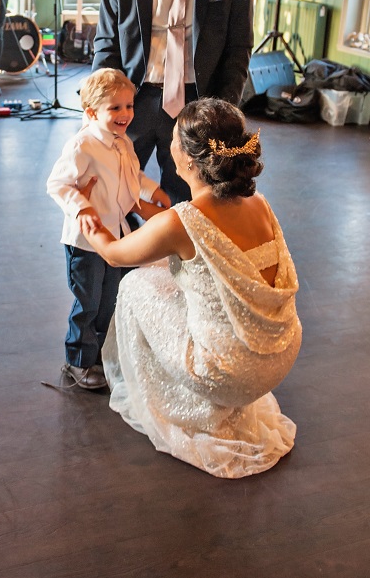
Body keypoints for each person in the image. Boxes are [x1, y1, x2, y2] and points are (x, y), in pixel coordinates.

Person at [83, 97, 302, 478]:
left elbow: (117, 255)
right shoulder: (260, 204)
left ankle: (184, 403)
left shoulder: (183, 221)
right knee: (177, 277)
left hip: (228, 373)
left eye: (172, 140)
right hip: (279, 357)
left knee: (136, 285)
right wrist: (141, 205)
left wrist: (92, 222)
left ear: (186, 158)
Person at [93, 0, 253, 205]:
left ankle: (177, 258)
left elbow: (239, 45)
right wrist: (101, 105)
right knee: (110, 191)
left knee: (188, 203)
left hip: (197, 101)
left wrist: (220, 110)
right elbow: (107, 44)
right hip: (134, 97)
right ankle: (116, 257)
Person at [47, 68, 171, 391]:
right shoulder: (83, 146)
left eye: (129, 106)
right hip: (85, 242)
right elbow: (57, 184)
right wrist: (81, 207)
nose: (125, 114)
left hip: (116, 235)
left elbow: (133, 177)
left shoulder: (123, 143)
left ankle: (100, 353)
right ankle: (77, 360)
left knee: (110, 299)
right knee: (87, 301)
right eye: (115, 108)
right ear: (91, 112)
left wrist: (151, 191)